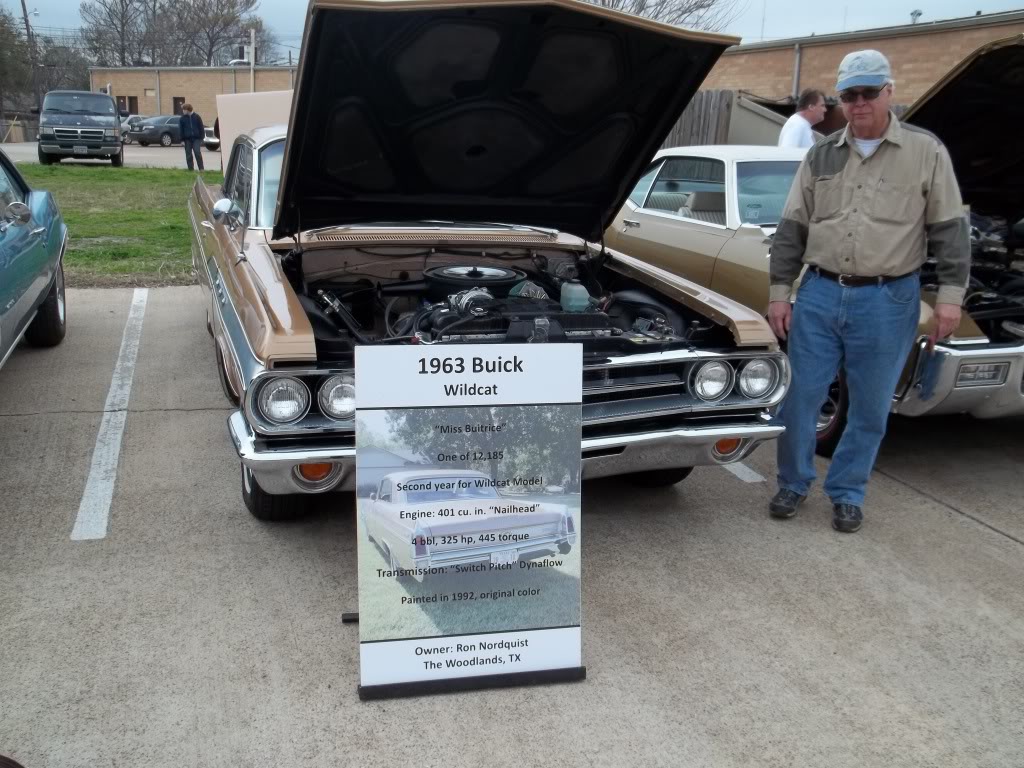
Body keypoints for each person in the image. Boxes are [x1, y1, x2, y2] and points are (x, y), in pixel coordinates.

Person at [766, 50, 969, 533]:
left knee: (872, 405)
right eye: (848, 95)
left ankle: (847, 492)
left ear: (889, 93)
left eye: (868, 93)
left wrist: (950, 296)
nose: (858, 104)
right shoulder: (821, 153)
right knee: (799, 397)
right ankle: (792, 483)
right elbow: (793, 225)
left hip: (888, 299)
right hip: (818, 293)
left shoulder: (926, 151)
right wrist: (779, 291)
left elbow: (949, 228)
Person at [179, 103, 205, 172]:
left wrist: (202, 137)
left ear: (188, 110)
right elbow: (181, 129)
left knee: (197, 152)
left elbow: (201, 127)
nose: (183, 111)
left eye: (184, 110)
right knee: (188, 154)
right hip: (187, 139)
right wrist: (182, 140)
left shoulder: (197, 117)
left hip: (197, 138)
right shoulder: (182, 119)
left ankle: (201, 168)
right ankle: (191, 169)